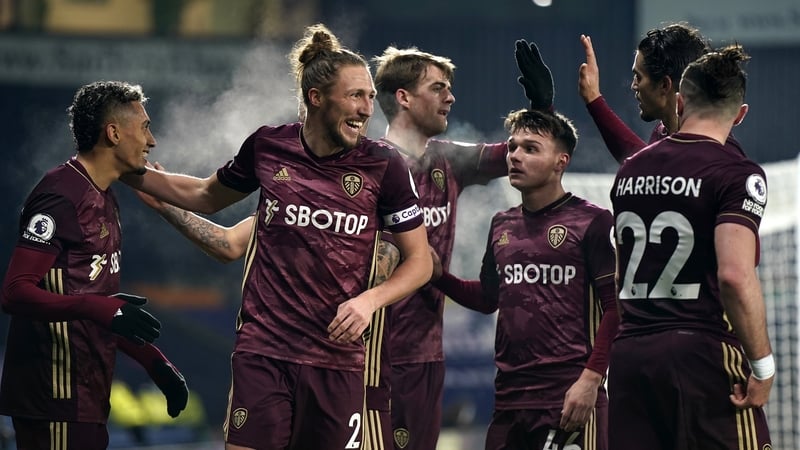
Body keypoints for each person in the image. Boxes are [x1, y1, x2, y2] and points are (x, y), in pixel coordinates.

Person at [122, 24, 432, 450]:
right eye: (355, 95)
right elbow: (206, 195)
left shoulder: (383, 165)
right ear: (316, 97)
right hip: (265, 350)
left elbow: (421, 260)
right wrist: (126, 171)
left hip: (336, 360)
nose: (366, 109)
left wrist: (369, 301)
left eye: (369, 97)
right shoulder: (269, 147)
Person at [0, 81, 188, 450]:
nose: (153, 142)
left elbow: (95, 306)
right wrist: (96, 305)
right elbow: (15, 292)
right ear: (114, 133)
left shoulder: (105, 197)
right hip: (54, 396)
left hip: (87, 396)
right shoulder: (60, 195)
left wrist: (154, 362)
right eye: (146, 127)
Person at [609, 45, 773, 449]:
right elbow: (734, 275)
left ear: (680, 102)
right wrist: (762, 366)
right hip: (701, 356)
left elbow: (618, 276)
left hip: (630, 356)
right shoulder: (736, 173)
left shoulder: (630, 170)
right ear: (740, 114)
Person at [431, 109, 618, 450]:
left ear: (561, 161)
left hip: (568, 397)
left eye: (531, 148)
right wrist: (438, 276)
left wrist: (591, 380)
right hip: (509, 399)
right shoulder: (502, 224)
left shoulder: (593, 222)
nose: (515, 156)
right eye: (513, 147)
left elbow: (615, 308)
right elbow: (489, 299)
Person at [371, 46, 511, 450]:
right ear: (404, 97)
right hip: (366, 354)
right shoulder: (364, 165)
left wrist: (541, 106)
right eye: (438, 88)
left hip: (424, 357)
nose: (450, 97)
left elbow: (520, 155)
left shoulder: (448, 160)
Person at [576, 23, 715, 162]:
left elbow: (646, 167)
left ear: (664, 85)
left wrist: (594, 100)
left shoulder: (707, 151)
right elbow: (647, 165)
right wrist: (593, 98)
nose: (633, 86)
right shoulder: (663, 133)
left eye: (638, 77)